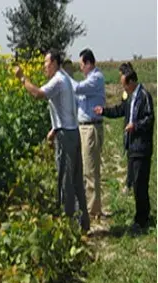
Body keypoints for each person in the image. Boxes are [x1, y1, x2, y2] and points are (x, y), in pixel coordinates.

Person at [14, 49, 90, 232]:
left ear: (55, 63)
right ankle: (83, 223)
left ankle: (70, 225)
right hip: (71, 132)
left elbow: (38, 94)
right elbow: (66, 110)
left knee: (66, 181)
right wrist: (55, 128)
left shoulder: (57, 80)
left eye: (45, 63)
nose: (43, 67)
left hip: (66, 137)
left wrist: (22, 78)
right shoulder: (65, 78)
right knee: (77, 179)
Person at [94, 63, 154, 231]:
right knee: (135, 183)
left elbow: (149, 119)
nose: (123, 88)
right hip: (132, 147)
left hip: (141, 148)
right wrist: (103, 111)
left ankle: (142, 220)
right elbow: (120, 110)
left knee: (140, 184)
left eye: (124, 84)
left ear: (132, 82)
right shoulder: (130, 97)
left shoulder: (144, 96)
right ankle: (142, 215)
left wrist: (135, 125)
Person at [70, 49, 106, 219]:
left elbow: (77, 88)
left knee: (90, 171)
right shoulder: (89, 80)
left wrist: (63, 76)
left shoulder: (96, 78)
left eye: (82, 65)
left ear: (89, 63)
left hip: (91, 128)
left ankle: (93, 211)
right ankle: (93, 207)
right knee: (87, 169)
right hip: (85, 127)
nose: (81, 68)